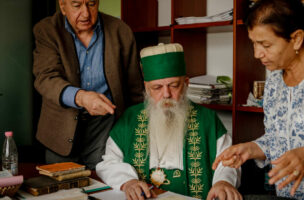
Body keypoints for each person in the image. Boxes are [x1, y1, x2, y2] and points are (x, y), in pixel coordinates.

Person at [212, 0, 304, 199]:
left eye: (265, 45)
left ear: (296, 38)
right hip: (285, 195)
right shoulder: (275, 78)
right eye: (254, 43)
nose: (257, 53)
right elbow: (278, 139)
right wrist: (250, 149)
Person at [96, 43, 242, 200]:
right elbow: (108, 162)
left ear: (186, 84)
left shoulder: (208, 120)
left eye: (173, 86)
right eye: (157, 87)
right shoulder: (129, 118)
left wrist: (223, 182)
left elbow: (228, 162)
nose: (166, 94)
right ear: (146, 88)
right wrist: (128, 182)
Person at [32, 0, 144, 169]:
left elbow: (135, 89)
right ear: (63, 6)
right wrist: (81, 97)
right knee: (64, 191)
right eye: (76, 5)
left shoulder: (120, 30)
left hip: (106, 127)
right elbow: (45, 78)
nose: (85, 13)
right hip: (60, 129)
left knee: (105, 184)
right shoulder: (47, 30)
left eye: (91, 4)